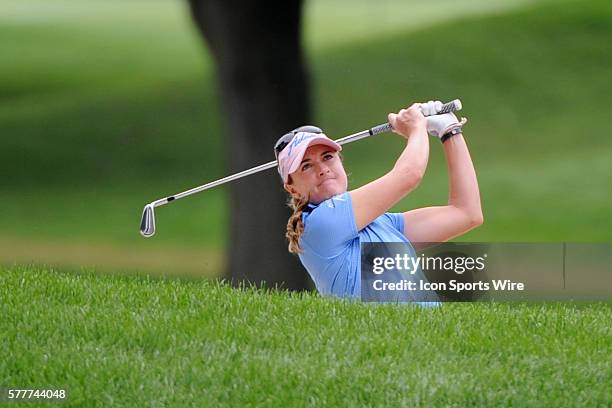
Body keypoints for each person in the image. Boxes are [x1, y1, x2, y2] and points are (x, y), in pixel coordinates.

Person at [274, 101, 483, 304]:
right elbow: (409, 175)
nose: (322, 169)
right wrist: (416, 126)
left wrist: (450, 131)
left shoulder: (383, 224)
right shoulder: (319, 223)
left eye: (328, 157)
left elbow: (466, 214)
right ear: (291, 188)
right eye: (306, 166)